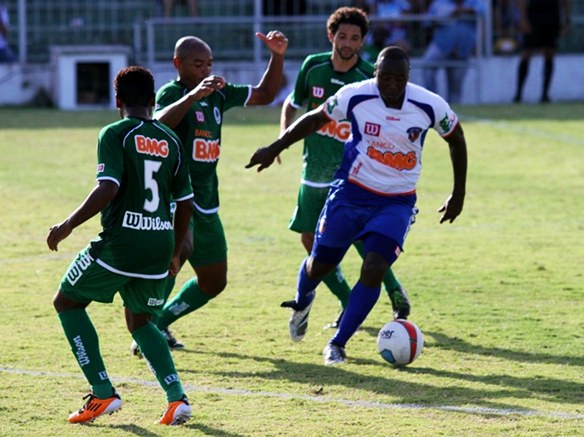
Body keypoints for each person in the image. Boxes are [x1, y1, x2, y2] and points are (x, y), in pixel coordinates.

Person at [246, 46, 467, 366]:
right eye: (385, 77)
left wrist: (458, 193)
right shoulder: (356, 95)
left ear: (408, 77)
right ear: (375, 73)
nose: (391, 83)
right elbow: (313, 119)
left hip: (396, 202)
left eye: (398, 78)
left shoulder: (430, 104)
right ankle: (302, 300)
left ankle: (338, 343)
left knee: (375, 267)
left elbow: (456, 139)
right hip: (350, 194)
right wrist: (275, 146)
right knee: (319, 264)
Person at [47, 66, 195, 425]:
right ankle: (177, 400)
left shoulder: (114, 133)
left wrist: (67, 225)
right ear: (152, 100)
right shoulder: (170, 139)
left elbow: (108, 187)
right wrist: (175, 251)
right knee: (141, 320)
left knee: (67, 301)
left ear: (117, 101)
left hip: (122, 243)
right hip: (159, 242)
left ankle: (102, 393)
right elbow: (186, 201)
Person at [143, 30, 288, 350]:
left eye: (208, 65)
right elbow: (158, 125)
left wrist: (276, 56)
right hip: (176, 198)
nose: (205, 71)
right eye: (198, 65)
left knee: (213, 281)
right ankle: (145, 331)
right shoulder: (172, 92)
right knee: (175, 258)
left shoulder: (219, 93)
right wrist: (192, 96)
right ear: (178, 64)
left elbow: (265, 94)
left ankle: (162, 322)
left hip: (207, 200)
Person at [280, 6, 410, 331]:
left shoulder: (370, 76)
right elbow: (293, 103)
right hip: (313, 172)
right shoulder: (313, 67)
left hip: (353, 174)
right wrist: (282, 138)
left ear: (363, 41)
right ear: (331, 36)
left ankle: (391, 292)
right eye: (342, 36)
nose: (348, 42)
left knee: (361, 240)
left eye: (355, 37)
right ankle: (346, 298)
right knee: (311, 241)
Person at [420, 0, 485, 104]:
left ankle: (453, 114)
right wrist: (451, 13)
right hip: (440, 46)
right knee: (427, 66)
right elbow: (427, 21)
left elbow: (481, 11)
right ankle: (432, 102)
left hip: (462, 51)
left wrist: (463, 10)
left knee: (455, 87)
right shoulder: (440, 3)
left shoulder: (473, 2)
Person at [512, 0, 571, 103]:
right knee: (526, 52)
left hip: (552, 14)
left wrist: (566, 19)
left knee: (549, 53)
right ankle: (518, 94)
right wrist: (523, 18)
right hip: (534, 13)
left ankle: (545, 95)